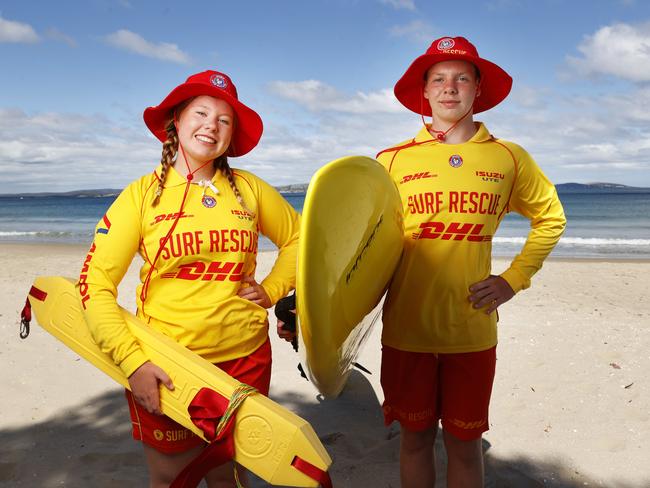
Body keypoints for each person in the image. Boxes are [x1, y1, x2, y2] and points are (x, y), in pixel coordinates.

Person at [78, 70, 300, 487]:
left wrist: (272, 289)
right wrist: (134, 362)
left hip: (245, 360)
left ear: (231, 136)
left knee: (228, 474)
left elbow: (301, 238)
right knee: (171, 477)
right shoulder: (142, 195)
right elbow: (94, 284)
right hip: (167, 362)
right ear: (176, 121)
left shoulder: (249, 190)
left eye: (224, 120)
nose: (211, 126)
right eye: (201, 113)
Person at [375, 37, 566, 487]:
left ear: (478, 88)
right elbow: (359, 243)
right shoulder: (391, 160)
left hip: (471, 329)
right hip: (407, 328)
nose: (449, 88)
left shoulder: (508, 157)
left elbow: (551, 217)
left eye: (462, 77)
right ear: (424, 91)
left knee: (464, 443)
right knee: (416, 438)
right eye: (438, 78)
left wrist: (513, 280)